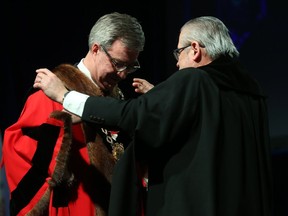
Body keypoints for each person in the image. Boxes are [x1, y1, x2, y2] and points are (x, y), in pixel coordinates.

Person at [33, 16, 273, 216]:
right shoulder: (251, 92)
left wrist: (66, 96)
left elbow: (134, 114)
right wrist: (162, 97)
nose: (178, 65)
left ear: (196, 50)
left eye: (179, 53)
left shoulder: (195, 79)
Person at [1, 12, 145, 216]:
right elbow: (19, 152)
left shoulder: (116, 97)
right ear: (96, 49)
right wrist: (62, 135)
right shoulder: (52, 93)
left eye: (130, 67)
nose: (122, 74)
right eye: (118, 63)